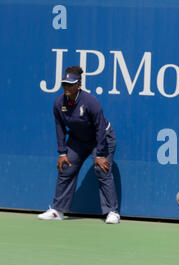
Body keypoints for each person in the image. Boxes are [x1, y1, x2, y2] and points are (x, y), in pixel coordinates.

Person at [38, 66, 120, 224]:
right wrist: (62, 153)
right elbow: (59, 128)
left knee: (101, 169)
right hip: (78, 140)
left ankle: (112, 212)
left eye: (70, 84)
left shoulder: (91, 102)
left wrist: (101, 155)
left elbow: (100, 129)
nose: (66, 87)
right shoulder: (58, 103)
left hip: (101, 138)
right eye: (64, 84)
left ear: (79, 85)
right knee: (66, 166)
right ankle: (58, 210)